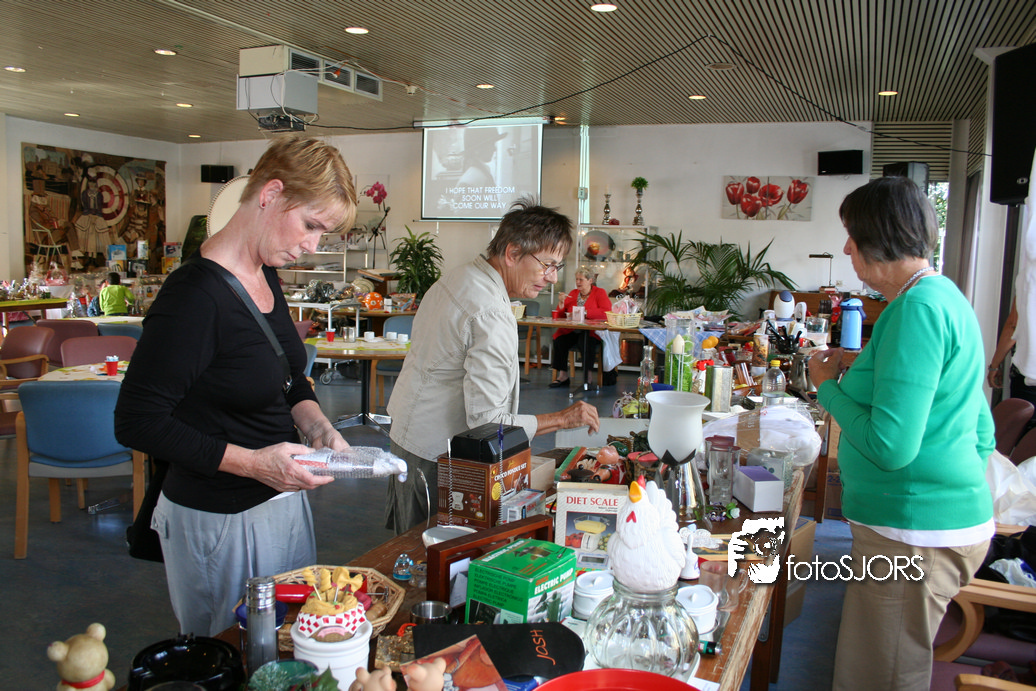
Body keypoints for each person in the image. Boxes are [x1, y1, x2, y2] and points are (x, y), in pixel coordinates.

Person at [114, 136, 356, 636]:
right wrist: (254, 463)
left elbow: (287, 377)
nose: (313, 245)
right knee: (234, 647)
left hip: (279, 499)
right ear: (270, 194)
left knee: (287, 642)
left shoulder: (265, 273)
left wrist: (317, 425)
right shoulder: (195, 296)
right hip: (220, 515)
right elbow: (137, 421)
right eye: (311, 225)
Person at [808, 176, 993, 691]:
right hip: (932, 521)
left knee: (879, 675)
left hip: (913, 535)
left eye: (852, 235)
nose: (846, 248)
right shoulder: (939, 296)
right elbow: (981, 427)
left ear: (878, 237)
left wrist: (826, 387)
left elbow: (890, 448)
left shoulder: (916, 310)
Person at [385, 198, 601, 534]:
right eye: (547, 265)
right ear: (512, 253)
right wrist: (562, 418)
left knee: (413, 548)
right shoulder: (491, 312)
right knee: (431, 553)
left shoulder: (460, 276)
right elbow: (488, 423)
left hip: (409, 438)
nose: (552, 278)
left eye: (557, 267)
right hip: (436, 456)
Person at [549, 268, 618, 387]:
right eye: (576, 279)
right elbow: (561, 316)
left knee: (585, 342)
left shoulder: (599, 292)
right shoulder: (573, 293)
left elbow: (606, 312)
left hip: (592, 332)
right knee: (559, 339)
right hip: (573, 330)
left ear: (590, 280)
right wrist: (561, 303)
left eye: (581, 279)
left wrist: (585, 312)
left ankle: (588, 377)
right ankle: (563, 376)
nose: (578, 282)